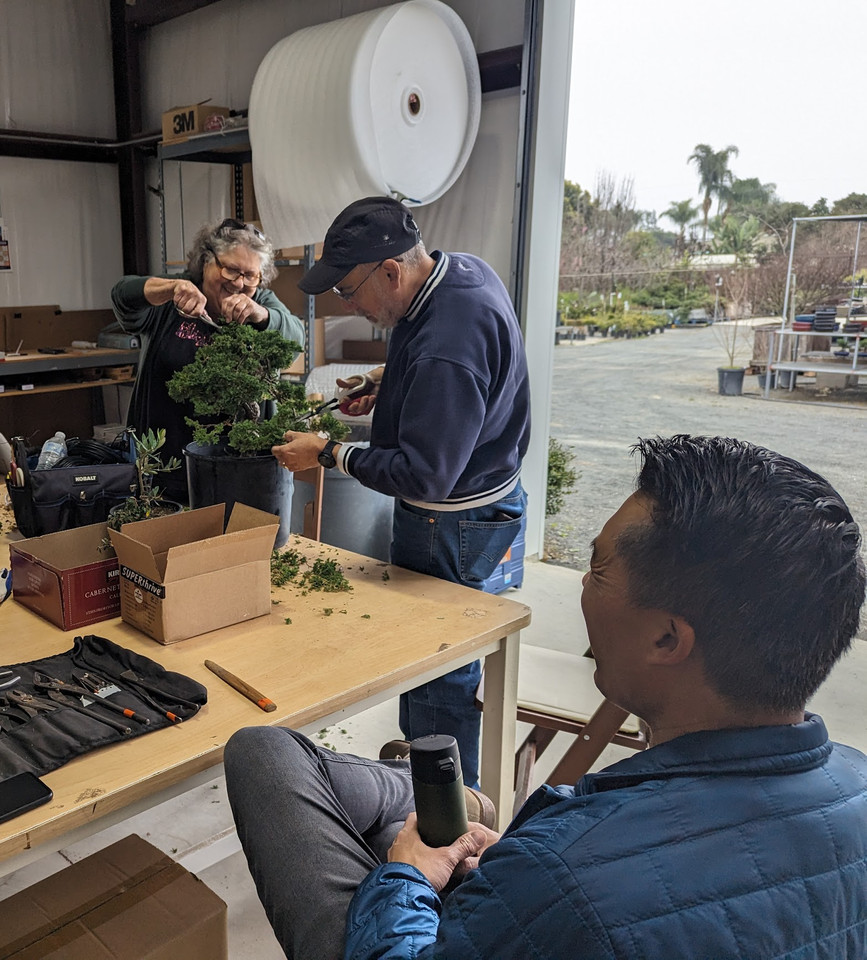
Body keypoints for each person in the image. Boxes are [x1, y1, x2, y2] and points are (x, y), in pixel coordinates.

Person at [225, 435, 867, 960]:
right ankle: (452, 805)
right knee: (422, 822)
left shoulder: (563, 875)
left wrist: (407, 878)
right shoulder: (857, 782)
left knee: (265, 753)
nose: (584, 586)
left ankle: (443, 812)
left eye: (599, 569)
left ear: (668, 637)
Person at [271, 196, 531, 782]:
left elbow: (423, 473)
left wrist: (329, 451)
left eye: (349, 291)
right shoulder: (459, 272)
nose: (350, 305)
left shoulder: (447, 346)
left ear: (391, 270)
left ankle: (446, 819)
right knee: (433, 662)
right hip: (482, 502)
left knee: (439, 671)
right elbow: (449, 373)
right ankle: (424, 777)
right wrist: (384, 382)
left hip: (450, 523)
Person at [110, 217, 304, 503]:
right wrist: (169, 289)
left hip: (241, 463)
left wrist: (260, 315)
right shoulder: (173, 298)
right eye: (230, 269)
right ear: (205, 261)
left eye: (250, 275)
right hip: (165, 465)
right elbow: (122, 297)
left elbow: (295, 342)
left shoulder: (262, 304)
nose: (239, 283)